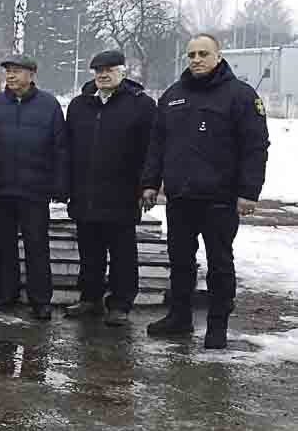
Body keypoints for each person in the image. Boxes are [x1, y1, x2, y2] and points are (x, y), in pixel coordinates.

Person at [141, 34, 270, 349]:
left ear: (218, 56)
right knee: (180, 260)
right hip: (180, 197)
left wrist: (249, 192)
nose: (196, 59)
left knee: (220, 263)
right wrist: (150, 182)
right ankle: (180, 317)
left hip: (219, 199)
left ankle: (217, 326)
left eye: (203, 53)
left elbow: (255, 147)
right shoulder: (173, 96)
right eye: (191, 54)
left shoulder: (240, 96)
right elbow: (157, 145)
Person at [63, 49, 156, 327]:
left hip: (122, 193)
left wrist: (148, 184)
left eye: (110, 70)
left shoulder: (142, 105)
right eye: (98, 70)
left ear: (123, 71)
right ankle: (90, 298)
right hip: (85, 192)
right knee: (89, 250)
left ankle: (120, 303)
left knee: (122, 252)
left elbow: (152, 149)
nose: (103, 75)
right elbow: (69, 147)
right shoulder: (80, 105)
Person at [0, 54, 68, 321]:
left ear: (32, 75)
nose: (10, 76)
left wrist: (59, 185)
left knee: (36, 245)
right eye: (8, 71)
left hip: (35, 189)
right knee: (5, 244)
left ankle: (40, 300)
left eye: (17, 71)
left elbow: (60, 148)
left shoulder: (49, 105)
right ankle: (7, 294)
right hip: (2, 187)